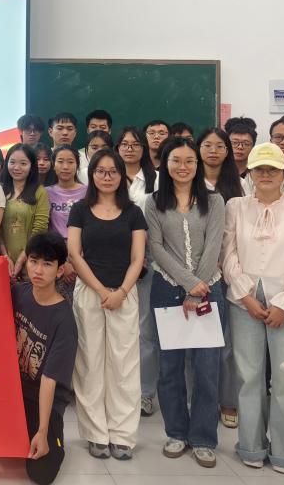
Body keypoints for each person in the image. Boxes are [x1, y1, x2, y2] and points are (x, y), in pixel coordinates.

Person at [222, 142, 284, 474]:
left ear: (283, 173)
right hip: (245, 301)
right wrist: (245, 295)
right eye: (259, 169)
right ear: (249, 173)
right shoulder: (235, 207)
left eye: (272, 169)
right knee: (248, 377)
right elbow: (228, 254)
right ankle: (251, 446)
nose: (265, 174)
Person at [145, 136, 226, 468]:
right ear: (165, 164)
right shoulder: (153, 202)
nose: (183, 166)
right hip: (166, 289)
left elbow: (215, 244)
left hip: (209, 289)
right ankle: (176, 432)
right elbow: (156, 247)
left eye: (189, 161)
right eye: (176, 160)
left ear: (198, 164)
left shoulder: (214, 200)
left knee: (207, 368)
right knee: (170, 368)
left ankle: (204, 437)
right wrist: (188, 283)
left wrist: (197, 288)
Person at [67, 150, 146, 461]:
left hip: (124, 294)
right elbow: (74, 254)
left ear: (121, 175)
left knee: (124, 365)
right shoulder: (80, 210)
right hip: (90, 293)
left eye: (113, 171)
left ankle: (123, 435)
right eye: (100, 171)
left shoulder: (133, 212)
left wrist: (121, 292)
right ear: (92, 175)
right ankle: (96, 434)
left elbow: (138, 258)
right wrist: (101, 290)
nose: (107, 177)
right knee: (89, 363)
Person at [12, 233, 78, 485]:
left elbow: (49, 381)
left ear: (60, 270)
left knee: (41, 474)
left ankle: (52, 437)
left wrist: (42, 430)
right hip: (13, 394)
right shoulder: (19, 293)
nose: (38, 270)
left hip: (43, 401)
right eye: (33, 261)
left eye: (47, 264)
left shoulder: (64, 321)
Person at [196, 126, 244, 429]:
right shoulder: (187, 180)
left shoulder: (239, 184)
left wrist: (228, 263)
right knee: (195, 339)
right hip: (194, 270)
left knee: (226, 341)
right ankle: (199, 399)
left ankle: (228, 400)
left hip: (229, 269)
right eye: (207, 145)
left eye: (219, 146)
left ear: (228, 151)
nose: (213, 151)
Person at [116, 126, 159, 417]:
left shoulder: (157, 179)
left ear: (144, 148)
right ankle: (119, 390)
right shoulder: (108, 176)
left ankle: (145, 392)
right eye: (124, 144)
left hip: (148, 261)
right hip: (113, 259)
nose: (129, 149)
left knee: (145, 329)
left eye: (135, 144)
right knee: (118, 328)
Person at [0, 144, 51, 279]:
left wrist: (22, 258)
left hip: (31, 258)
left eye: (23, 163)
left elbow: (40, 228)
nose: (16, 168)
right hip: (1, 259)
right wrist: (5, 257)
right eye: (12, 162)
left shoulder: (40, 192)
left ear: (32, 166)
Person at [46, 146, 86, 241]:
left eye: (70, 162)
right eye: (60, 161)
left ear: (77, 165)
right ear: (53, 165)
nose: (65, 167)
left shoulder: (88, 192)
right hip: (54, 246)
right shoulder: (46, 192)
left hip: (81, 245)